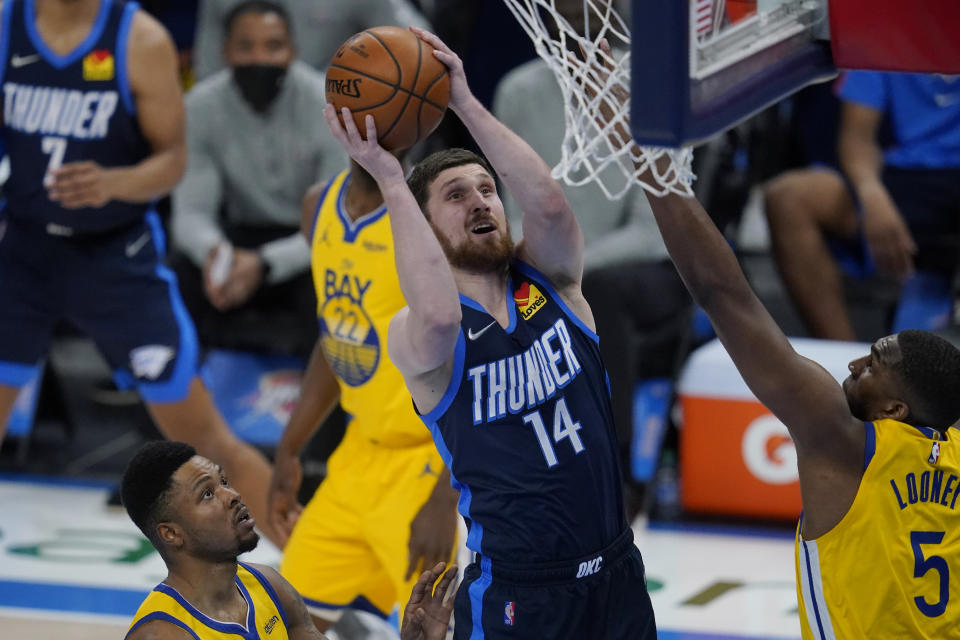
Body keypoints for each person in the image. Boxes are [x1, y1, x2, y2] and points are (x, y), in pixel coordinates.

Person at [322, 27, 657, 639]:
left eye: (486, 191)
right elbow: (441, 315)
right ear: (423, 225)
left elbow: (551, 207)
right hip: (519, 595)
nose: (481, 201)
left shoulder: (554, 281)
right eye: (456, 196)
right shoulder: (416, 334)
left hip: (617, 573)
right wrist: (392, 179)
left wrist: (465, 104)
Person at [631, 96, 960, 640]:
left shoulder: (845, 443)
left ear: (895, 409)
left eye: (875, 364)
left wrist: (660, 177)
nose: (854, 361)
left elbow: (724, 297)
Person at [0, 0, 290, 547]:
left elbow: (172, 162)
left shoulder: (141, 39)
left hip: (114, 257)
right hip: (24, 254)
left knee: (205, 440)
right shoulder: (7, 25)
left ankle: (314, 567)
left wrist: (113, 183)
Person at [492, 0, 689, 517]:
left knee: (596, 297)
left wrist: (566, 268)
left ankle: (616, 471)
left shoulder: (653, 83)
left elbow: (654, 232)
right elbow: (511, 209)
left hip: (647, 270)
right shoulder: (518, 90)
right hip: (545, 268)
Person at [267, 155, 459, 632]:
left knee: (435, 627)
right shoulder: (320, 207)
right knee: (289, 621)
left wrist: (448, 493)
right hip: (358, 457)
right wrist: (290, 447)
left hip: (429, 462)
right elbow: (338, 337)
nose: (372, 125)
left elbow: (480, 353)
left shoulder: (431, 218)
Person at [120, 440, 458, 640]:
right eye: (207, 494)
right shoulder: (164, 633)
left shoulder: (269, 586)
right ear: (171, 534)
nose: (233, 495)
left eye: (223, 481)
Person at [171, 0, 346, 359]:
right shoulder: (200, 108)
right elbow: (189, 213)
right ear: (225, 52)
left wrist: (266, 263)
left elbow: (337, 222)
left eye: (273, 46)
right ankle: (169, 407)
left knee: (337, 284)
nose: (260, 59)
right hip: (234, 239)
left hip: (309, 243)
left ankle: (337, 413)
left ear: (293, 51)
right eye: (246, 47)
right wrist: (215, 255)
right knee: (174, 276)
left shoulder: (327, 105)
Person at [765, 71, 960, 340]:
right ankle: (848, 368)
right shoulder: (885, 36)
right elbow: (857, 140)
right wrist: (872, 195)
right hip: (905, 173)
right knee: (788, 198)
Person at [192, 0, 430, 81]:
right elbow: (208, 70)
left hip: (335, 111)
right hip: (244, 113)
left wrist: (360, 83)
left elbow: (420, 46)